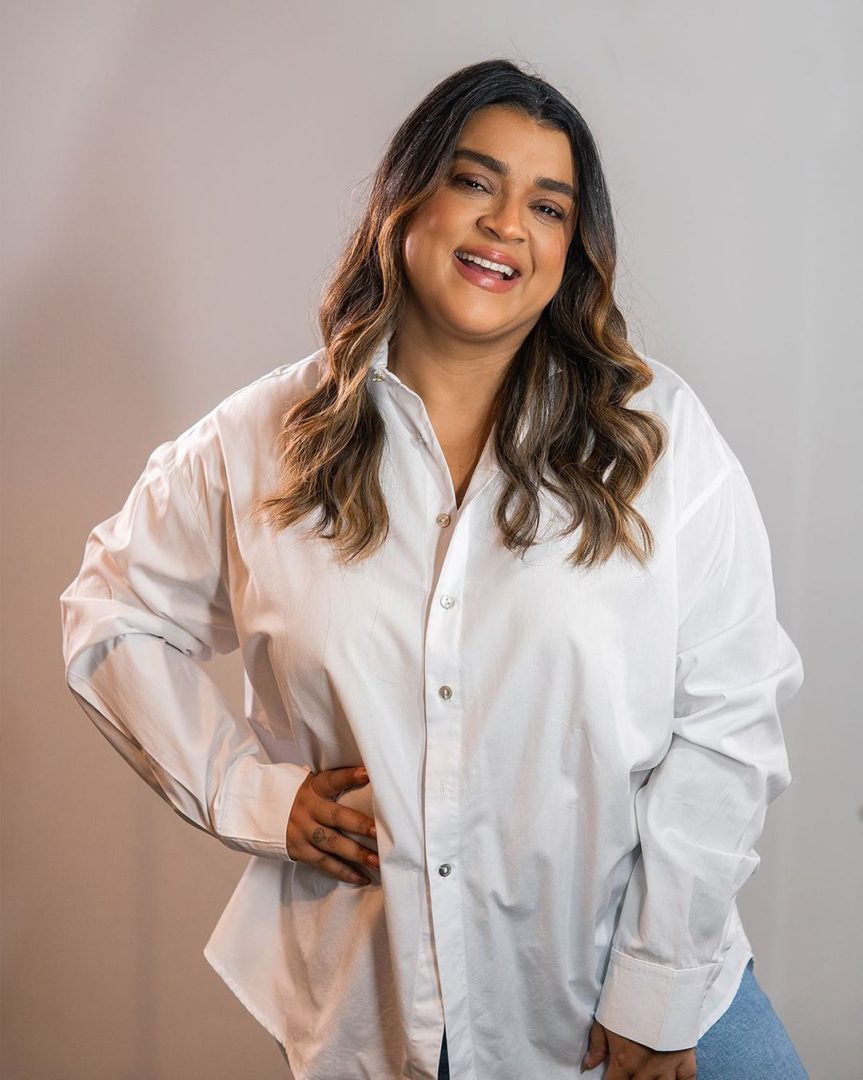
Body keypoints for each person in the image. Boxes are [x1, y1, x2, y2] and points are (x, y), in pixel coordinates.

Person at [59, 58, 809, 1080]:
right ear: (405, 200)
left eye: (546, 206)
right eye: (473, 181)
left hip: (639, 998)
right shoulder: (260, 441)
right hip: (392, 1016)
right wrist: (246, 792)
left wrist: (660, 983)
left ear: (570, 251)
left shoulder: (657, 439)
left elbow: (729, 713)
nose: (506, 224)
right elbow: (111, 613)